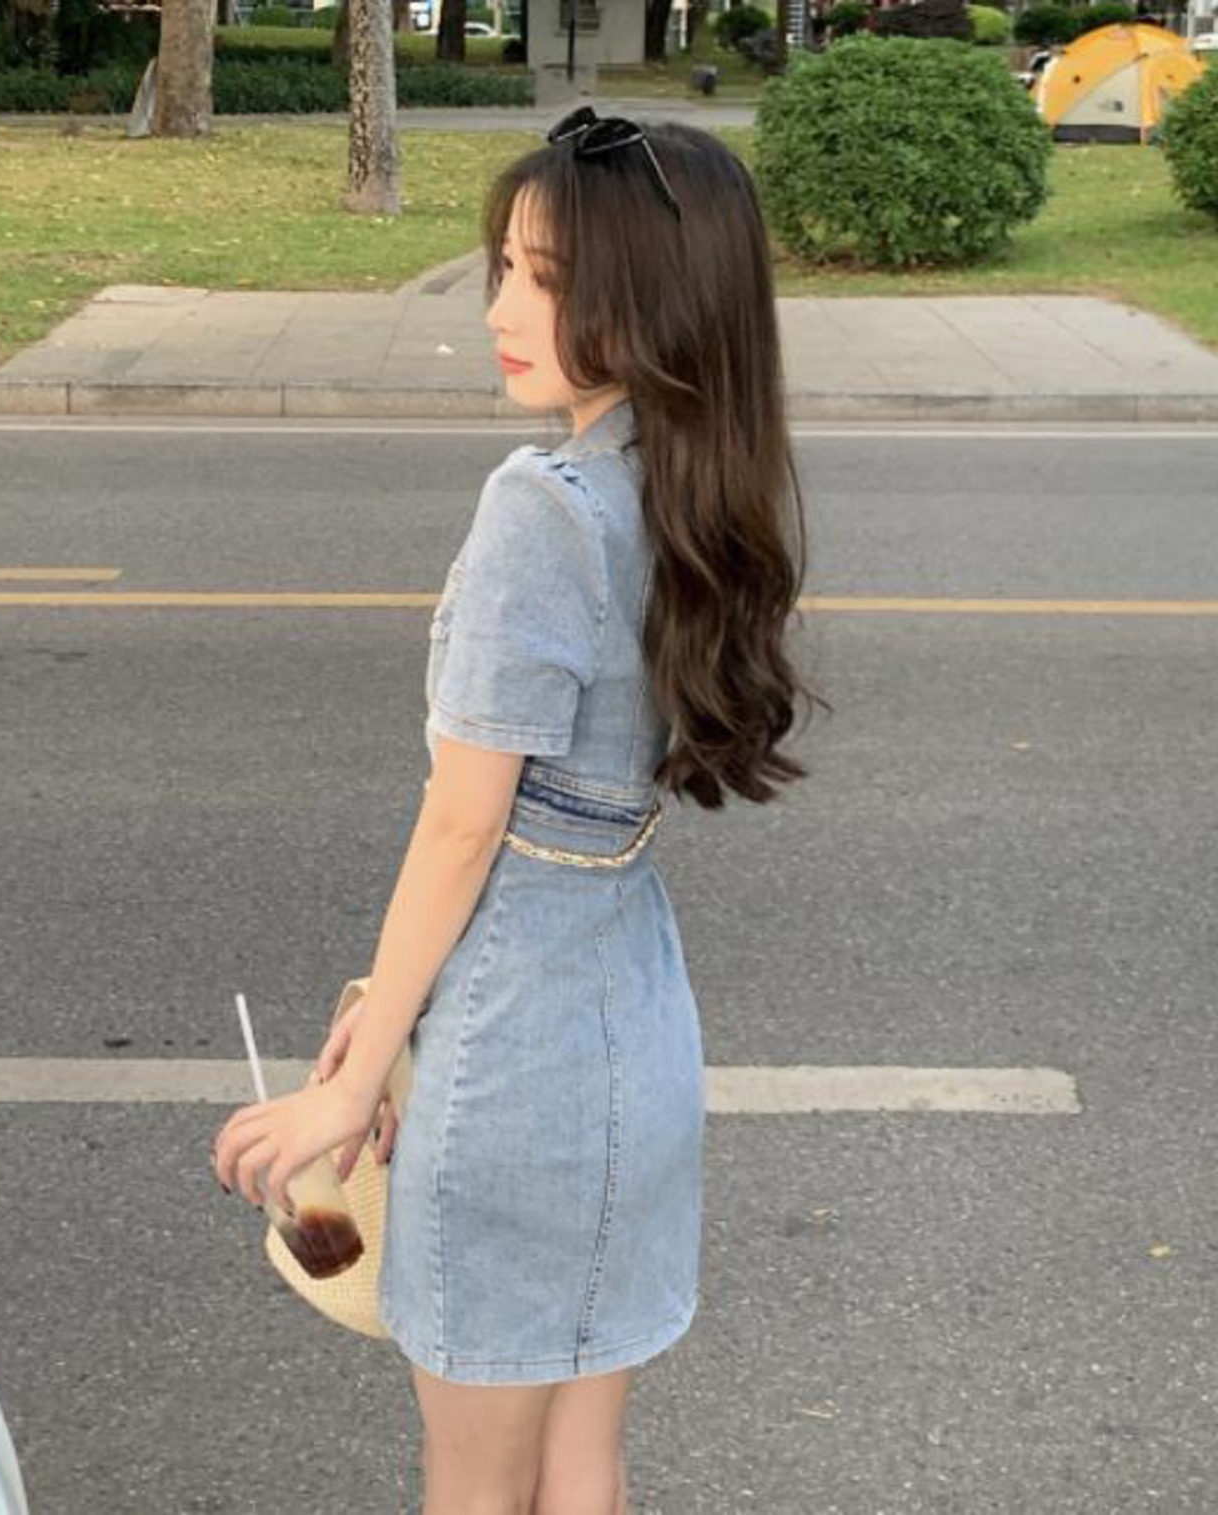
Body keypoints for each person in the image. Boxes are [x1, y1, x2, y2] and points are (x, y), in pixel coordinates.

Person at [213, 105, 818, 1515]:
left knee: (476, 1485)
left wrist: (352, 1081)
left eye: (548, 277)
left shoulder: (545, 503)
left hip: (516, 1052)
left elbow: (465, 823)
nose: (499, 308)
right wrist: (386, 1016)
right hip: (633, 1025)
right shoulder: (694, 487)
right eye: (504, 267)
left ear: (655, 298)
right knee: (580, 1459)